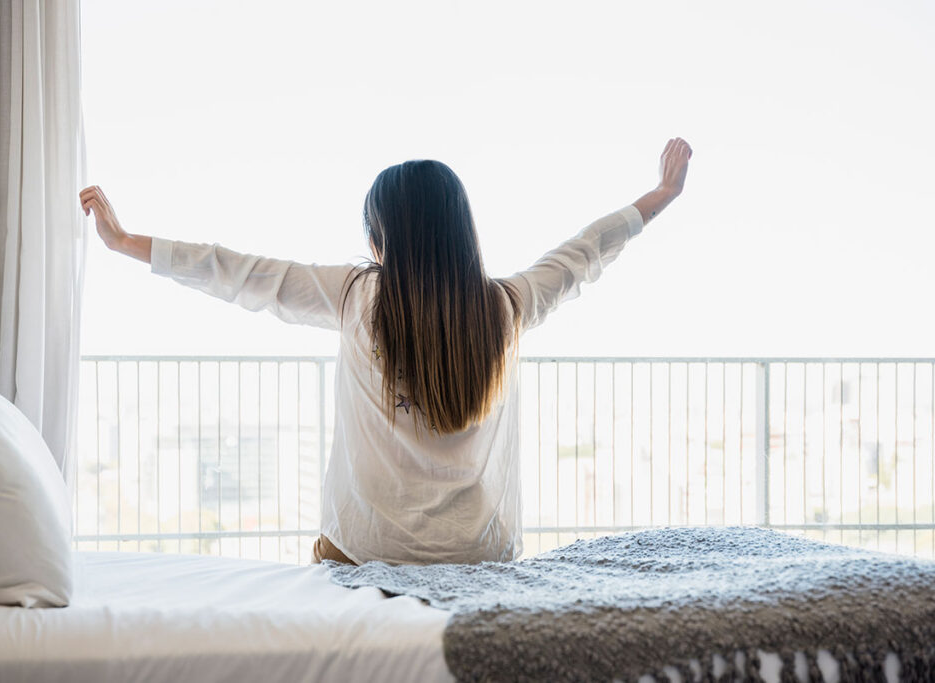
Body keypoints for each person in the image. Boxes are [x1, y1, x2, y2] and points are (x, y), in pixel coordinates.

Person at [79, 137, 692, 566]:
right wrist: (661, 194)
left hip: (362, 552)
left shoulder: (355, 295)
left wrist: (125, 241)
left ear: (380, 237)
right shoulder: (506, 306)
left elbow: (238, 273)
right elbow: (587, 251)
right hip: (482, 557)